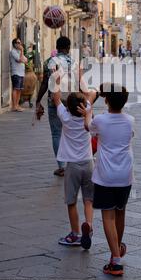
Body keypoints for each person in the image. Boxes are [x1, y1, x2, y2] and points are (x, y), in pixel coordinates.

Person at [78, 83, 134, 276]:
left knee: (108, 216)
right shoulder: (130, 120)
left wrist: (88, 110)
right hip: (125, 175)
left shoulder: (100, 121)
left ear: (107, 100)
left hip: (105, 176)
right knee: (120, 213)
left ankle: (116, 261)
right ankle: (116, 251)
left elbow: (88, 126)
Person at [54, 79, 98, 249]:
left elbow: (56, 97)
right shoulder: (88, 116)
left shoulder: (65, 117)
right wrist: (88, 97)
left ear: (68, 107)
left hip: (72, 166)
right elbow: (92, 94)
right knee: (88, 199)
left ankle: (75, 233)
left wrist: (56, 81)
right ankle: (89, 225)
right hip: (88, 163)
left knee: (71, 201)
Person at [35, 36, 73, 177]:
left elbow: (45, 83)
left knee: (57, 134)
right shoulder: (74, 62)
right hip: (71, 101)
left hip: (54, 100)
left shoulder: (49, 62)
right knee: (70, 133)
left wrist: (38, 101)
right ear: (68, 47)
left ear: (57, 48)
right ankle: (71, 163)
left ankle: (61, 166)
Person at [9, 38, 28, 112]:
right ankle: (14, 106)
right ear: (14, 44)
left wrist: (22, 56)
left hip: (21, 73)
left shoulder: (19, 52)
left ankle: (17, 105)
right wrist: (22, 51)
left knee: (19, 90)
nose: (19, 44)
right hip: (16, 72)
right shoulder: (13, 52)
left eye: (20, 42)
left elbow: (26, 60)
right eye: (18, 42)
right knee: (15, 88)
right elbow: (19, 60)